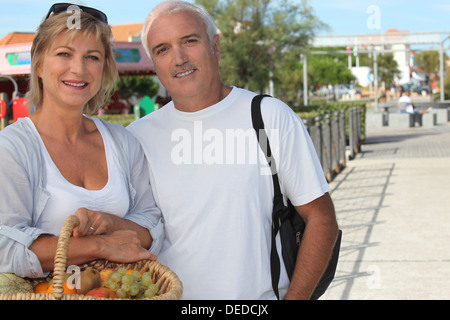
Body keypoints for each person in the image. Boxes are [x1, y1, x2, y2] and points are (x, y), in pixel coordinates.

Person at [128, 0, 339, 300]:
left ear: (216, 46)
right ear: (154, 63)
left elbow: (321, 218)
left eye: (190, 40)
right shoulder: (138, 138)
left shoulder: (266, 118)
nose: (179, 58)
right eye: (162, 49)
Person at [0, 3, 163, 279]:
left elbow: (152, 228)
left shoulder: (123, 142)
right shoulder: (13, 148)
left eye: (93, 57)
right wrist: (98, 245)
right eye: (64, 53)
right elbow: (5, 249)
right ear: (39, 65)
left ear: (104, 68)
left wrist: (111, 223)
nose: (79, 68)